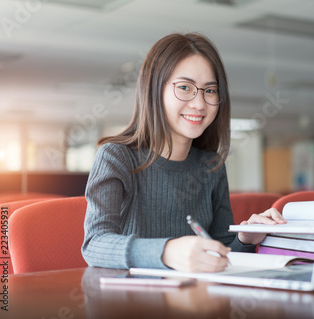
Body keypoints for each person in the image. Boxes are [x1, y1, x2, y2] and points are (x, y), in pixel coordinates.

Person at [82, 33, 286, 273]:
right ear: (154, 90)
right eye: (185, 87)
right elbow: (95, 244)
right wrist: (168, 252)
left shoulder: (211, 165)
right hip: (132, 302)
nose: (199, 103)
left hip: (194, 302)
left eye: (209, 90)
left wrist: (244, 240)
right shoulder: (116, 157)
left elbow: (220, 253)